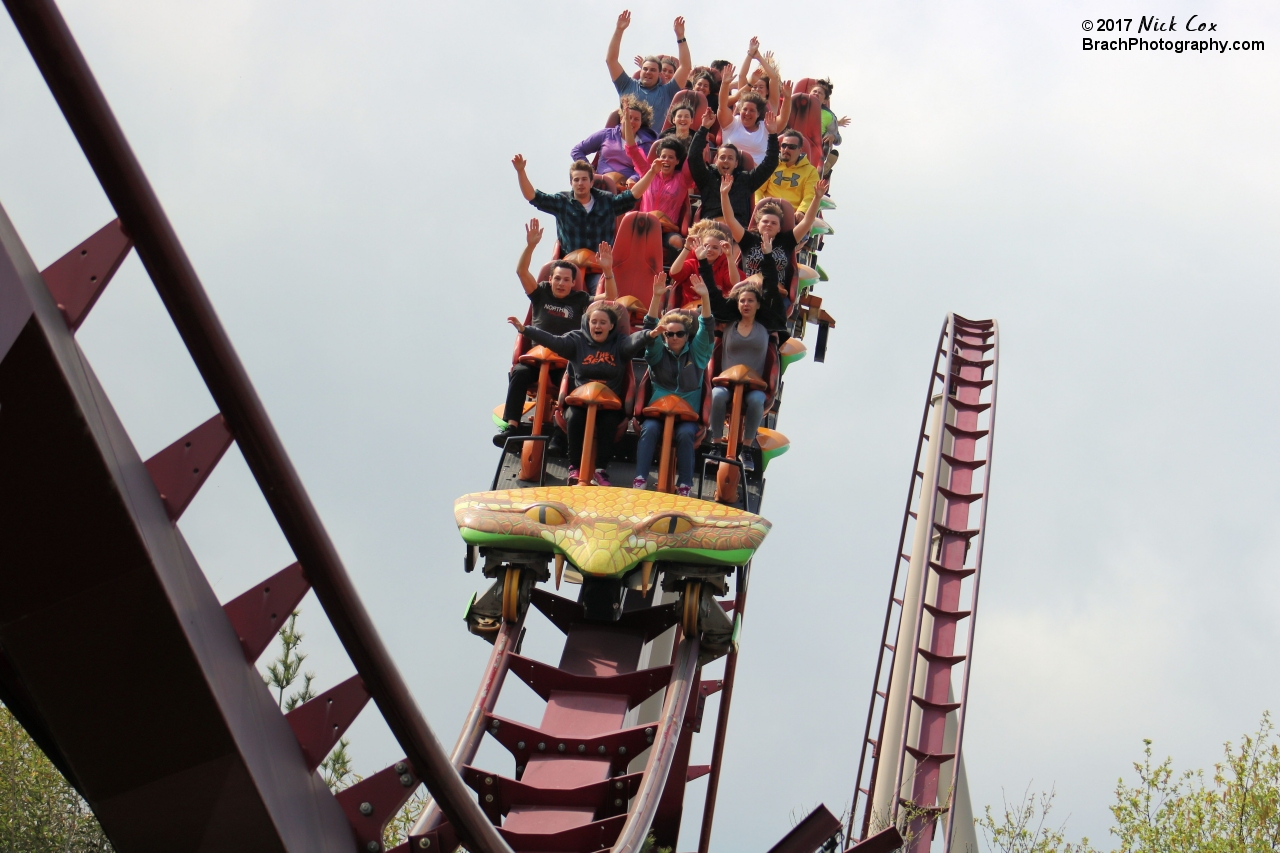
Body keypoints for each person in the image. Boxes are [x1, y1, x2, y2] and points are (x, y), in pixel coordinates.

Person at [494, 220, 618, 447]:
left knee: (573, 382)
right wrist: (530, 246)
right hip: (536, 357)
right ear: (550, 279)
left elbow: (610, 300)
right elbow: (521, 272)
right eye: (557, 278)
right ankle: (511, 425)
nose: (561, 283)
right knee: (520, 373)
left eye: (566, 280)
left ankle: (561, 433)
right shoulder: (541, 293)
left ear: (573, 284)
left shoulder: (579, 300)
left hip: (565, 361)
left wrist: (608, 272)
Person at [507, 295, 650, 486]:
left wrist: (649, 334)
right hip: (579, 401)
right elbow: (553, 341)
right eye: (594, 322)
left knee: (608, 423)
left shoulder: (619, 344)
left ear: (611, 326)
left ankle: (600, 469)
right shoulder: (577, 341)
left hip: (609, 403)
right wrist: (526, 330)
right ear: (588, 323)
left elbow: (635, 340)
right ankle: (574, 467)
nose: (597, 326)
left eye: (603, 322)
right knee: (574, 417)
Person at [633, 275, 715, 495]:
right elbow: (649, 332)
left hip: (687, 414)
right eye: (670, 334)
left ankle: (685, 484)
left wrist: (705, 297)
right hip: (657, 412)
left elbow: (706, 329)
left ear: (686, 335)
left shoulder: (697, 355)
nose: (675, 337)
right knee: (649, 429)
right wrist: (657, 296)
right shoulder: (658, 354)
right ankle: (640, 478)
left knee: (686, 434)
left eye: (680, 334)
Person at [720, 174, 828, 332]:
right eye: (765, 221)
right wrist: (724, 194)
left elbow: (806, 222)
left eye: (773, 223)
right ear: (758, 224)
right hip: (746, 292)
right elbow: (730, 220)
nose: (769, 225)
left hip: (774, 295)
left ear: (779, 227)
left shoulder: (786, 241)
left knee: (769, 315)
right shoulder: (748, 239)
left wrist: (816, 199)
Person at [513, 154, 658, 260]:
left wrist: (652, 172)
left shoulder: (606, 201)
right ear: (571, 183)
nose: (580, 183)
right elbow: (532, 196)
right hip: (571, 265)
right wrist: (521, 171)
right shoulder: (562, 202)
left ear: (591, 182)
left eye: (584, 179)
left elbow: (633, 195)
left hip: (600, 264)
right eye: (576, 180)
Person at [709, 281, 771, 470]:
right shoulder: (729, 325)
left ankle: (747, 448)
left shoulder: (765, 327)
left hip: (753, 385)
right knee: (717, 396)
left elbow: (774, 298)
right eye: (742, 301)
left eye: (750, 301)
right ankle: (717, 444)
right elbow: (714, 301)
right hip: (727, 382)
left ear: (758, 304)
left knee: (756, 400)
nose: (746, 304)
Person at [688, 108, 779, 223]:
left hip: (736, 232)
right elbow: (693, 157)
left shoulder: (746, 180)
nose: (726, 161)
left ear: (736, 163)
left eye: (730, 158)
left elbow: (771, 162)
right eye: (722, 157)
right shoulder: (706, 177)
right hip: (709, 229)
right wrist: (704, 128)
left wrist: (772, 134)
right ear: (716, 161)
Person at [606, 12, 691, 129]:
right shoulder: (626, 85)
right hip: (626, 140)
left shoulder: (668, 92)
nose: (648, 72)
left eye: (652, 70)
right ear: (640, 71)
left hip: (650, 144)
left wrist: (680, 37)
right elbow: (611, 60)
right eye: (645, 69)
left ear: (659, 74)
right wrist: (619, 30)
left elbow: (685, 67)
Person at [623, 120, 694, 252]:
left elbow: (693, 158)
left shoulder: (682, 178)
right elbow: (632, 149)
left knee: (677, 241)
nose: (666, 160)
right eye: (663, 156)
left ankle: (674, 273)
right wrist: (627, 121)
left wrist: (703, 129)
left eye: (671, 157)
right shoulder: (648, 172)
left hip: (667, 229)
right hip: (643, 225)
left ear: (677, 161)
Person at [570, 96, 657, 185]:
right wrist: (589, 169)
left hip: (625, 188)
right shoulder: (606, 135)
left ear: (640, 123)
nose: (631, 121)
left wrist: (633, 179)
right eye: (628, 117)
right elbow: (577, 150)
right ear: (621, 119)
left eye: (636, 119)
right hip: (601, 185)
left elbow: (644, 168)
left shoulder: (646, 144)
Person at [717, 62, 790, 166]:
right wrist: (725, 84)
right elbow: (722, 105)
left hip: (755, 176)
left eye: (752, 111)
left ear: (758, 113)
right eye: (745, 109)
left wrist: (787, 98)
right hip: (728, 171)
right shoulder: (731, 124)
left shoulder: (765, 128)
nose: (747, 113)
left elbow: (783, 119)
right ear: (740, 109)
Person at [668, 220, 739, 308]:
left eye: (715, 247)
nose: (709, 249)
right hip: (691, 310)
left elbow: (735, 283)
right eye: (706, 246)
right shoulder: (693, 263)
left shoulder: (725, 266)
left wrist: (729, 256)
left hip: (714, 310)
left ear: (721, 252)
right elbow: (674, 273)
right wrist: (686, 248)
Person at [756, 129, 821, 214]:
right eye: (784, 145)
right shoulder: (770, 164)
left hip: (793, 216)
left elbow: (810, 196)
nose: (786, 149)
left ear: (800, 150)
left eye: (792, 147)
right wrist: (758, 207)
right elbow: (758, 189)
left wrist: (802, 211)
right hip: (767, 212)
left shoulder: (811, 171)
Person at [810, 78, 851, 146]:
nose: (816, 94)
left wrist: (833, 136)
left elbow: (837, 137)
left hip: (814, 146)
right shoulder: (797, 106)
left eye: (820, 93)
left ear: (825, 100)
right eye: (814, 91)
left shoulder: (828, 115)